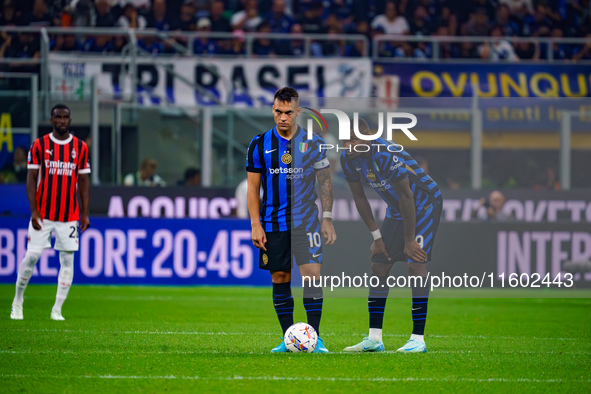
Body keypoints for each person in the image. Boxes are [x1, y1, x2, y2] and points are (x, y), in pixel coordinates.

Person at [246, 87, 336, 353]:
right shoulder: (258, 144)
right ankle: (289, 339)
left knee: (311, 276)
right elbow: (253, 189)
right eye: (278, 112)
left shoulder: (314, 143)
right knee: (280, 277)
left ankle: (315, 338)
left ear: (298, 112)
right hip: (273, 223)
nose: (282, 117)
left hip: (306, 222)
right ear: (272, 110)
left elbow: (325, 183)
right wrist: (255, 224)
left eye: (288, 112)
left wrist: (328, 218)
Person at [341, 118, 442, 353]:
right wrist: (377, 237)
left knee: (415, 264)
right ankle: (374, 339)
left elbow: (408, 197)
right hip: (398, 208)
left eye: (353, 141)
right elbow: (359, 198)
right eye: (345, 141)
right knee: (379, 265)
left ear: (368, 138)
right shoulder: (349, 159)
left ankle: (418, 339)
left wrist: (408, 241)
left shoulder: (386, 154)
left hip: (424, 203)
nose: (348, 146)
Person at [10, 104, 91, 321]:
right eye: (58, 117)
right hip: (43, 214)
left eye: (65, 117)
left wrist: (85, 213)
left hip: (69, 215)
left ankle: (57, 309)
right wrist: (34, 210)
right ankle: (18, 301)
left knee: (67, 260)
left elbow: (83, 180)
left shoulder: (80, 147)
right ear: (51, 120)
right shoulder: (39, 145)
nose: (62, 121)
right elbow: (31, 179)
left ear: (70, 120)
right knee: (33, 255)